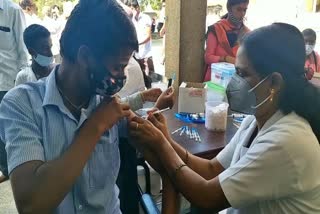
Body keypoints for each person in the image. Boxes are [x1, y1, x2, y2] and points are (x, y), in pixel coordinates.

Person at [0, 0, 174, 213]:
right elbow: (32, 204)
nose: (122, 76)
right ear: (84, 57)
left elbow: (156, 151)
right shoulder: (21, 105)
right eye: (118, 67)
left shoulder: (107, 103)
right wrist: (96, 125)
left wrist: (155, 128)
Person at [130, 23, 320, 213]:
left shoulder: (287, 142)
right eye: (235, 71)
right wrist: (166, 140)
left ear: (274, 82)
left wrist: (162, 147)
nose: (234, 82)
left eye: (242, 74)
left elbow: (207, 196)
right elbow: (212, 169)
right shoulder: (255, 121)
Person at [0, 0, 29, 183]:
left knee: (13, 133)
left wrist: (21, 85)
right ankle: (7, 169)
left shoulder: (12, 10)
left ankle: (21, 172)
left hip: (8, 84)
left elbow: (23, 49)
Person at [204, 0, 250, 81]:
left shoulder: (247, 33)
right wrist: (226, 58)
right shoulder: (216, 29)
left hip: (236, 82)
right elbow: (208, 58)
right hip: (215, 80)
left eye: (244, 10)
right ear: (229, 8)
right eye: (238, 9)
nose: (242, 13)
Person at [131, 0, 155, 88]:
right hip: (136, 55)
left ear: (137, 8)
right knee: (139, 79)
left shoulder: (146, 18)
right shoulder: (131, 20)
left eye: (132, 9)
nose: (131, 11)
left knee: (149, 78)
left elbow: (148, 36)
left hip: (146, 54)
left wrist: (137, 43)